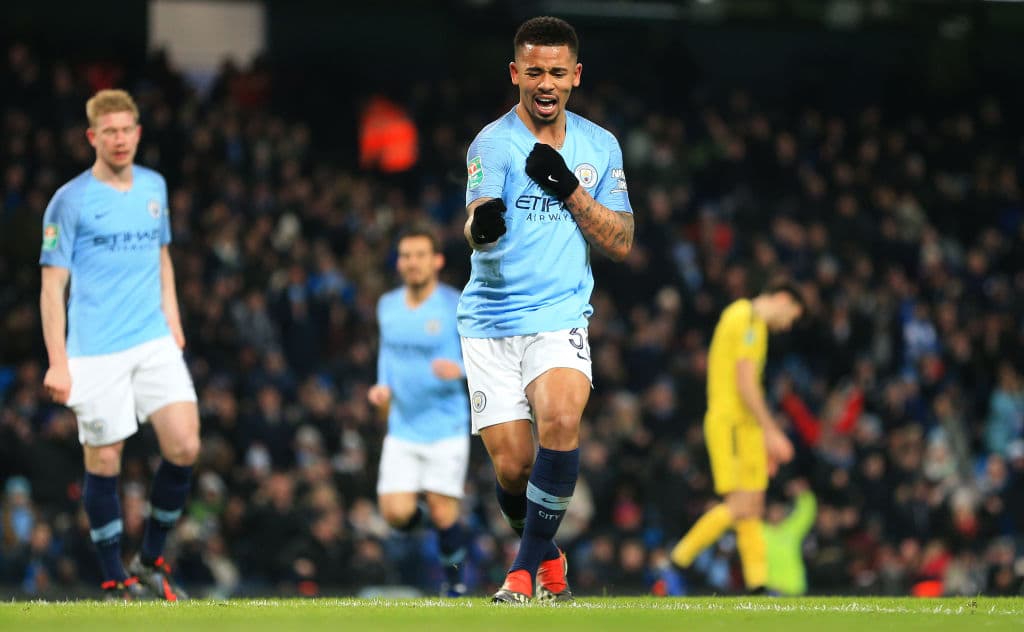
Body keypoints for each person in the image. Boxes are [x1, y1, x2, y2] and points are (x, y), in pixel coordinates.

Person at [459, 16, 635, 603]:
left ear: (575, 75)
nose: (546, 83)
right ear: (515, 73)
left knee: (560, 419)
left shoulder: (599, 147)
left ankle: (519, 573)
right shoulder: (492, 142)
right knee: (514, 469)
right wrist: (484, 225)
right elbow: (477, 218)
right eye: (534, 71)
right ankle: (548, 557)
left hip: (560, 316)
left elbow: (621, 241)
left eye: (557, 72)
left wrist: (569, 188)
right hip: (491, 323)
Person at [39, 89, 198, 601]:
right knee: (105, 460)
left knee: (185, 445)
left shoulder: (154, 185)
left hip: (152, 338)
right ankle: (113, 579)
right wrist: (57, 362)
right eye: (109, 131)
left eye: (127, 129)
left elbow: (161, 255)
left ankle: (149, 561)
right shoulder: (69, 200)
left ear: (138, 132)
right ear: (93, 137)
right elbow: (52, 285)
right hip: (94, 349)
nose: (120, 139)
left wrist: (173, 317)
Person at [669, 280, 804, 592]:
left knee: (752, 507)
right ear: (783, 299)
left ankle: (757, 585)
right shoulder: (745, 317)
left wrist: (763, 434)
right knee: (741, 505)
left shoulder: (755, 326)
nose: (787, 326)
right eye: (791, 317)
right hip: (730, 424)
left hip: (746, 427)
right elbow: (745, 384)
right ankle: (675, 563)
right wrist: (772, 432)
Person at [367, 227, 471, 596]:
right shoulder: (387, 305)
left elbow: (484, 353)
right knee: (395, 515)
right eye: (406, 255)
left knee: (443, 511)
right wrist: (383, 385)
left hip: (446, 424)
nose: (412, 262)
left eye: (420, 255)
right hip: (403, 425)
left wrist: (461, 370)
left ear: (437, 261)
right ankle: (441, 523)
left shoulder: (456, 304)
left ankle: (455, 583)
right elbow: (388, 352)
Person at [764, 478, 817, 596]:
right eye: (773, 510)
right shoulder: (761, 532)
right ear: (767, 512)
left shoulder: (792, 529)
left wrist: (804, 494)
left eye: (779, 510)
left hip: (794, 588)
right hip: (771, 588)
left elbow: (807, 512)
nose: (776, 513)